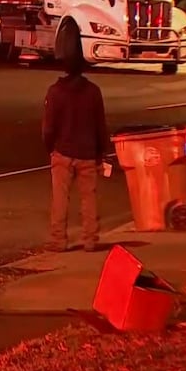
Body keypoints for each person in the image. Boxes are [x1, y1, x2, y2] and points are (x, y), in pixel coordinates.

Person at [42, 57, 109, 252]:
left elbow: (48, 128)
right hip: (87, 152)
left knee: (60, 198)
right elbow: (100, 124)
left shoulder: (55, 92)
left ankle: (59, 240)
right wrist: (100, 152)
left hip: (63, 151)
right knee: (89, 197)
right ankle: (90, 239)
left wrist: (51, 148)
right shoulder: (93, 92)